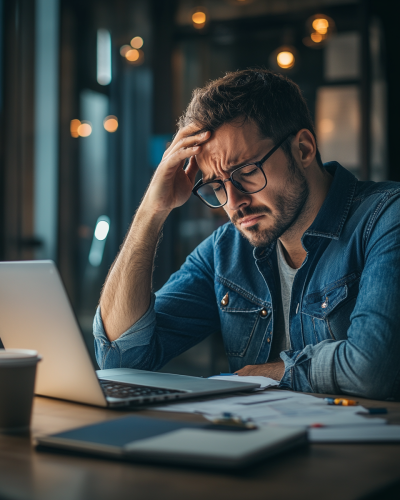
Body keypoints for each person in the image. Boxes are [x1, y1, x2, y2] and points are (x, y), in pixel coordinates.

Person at [94, 69, 400, 401]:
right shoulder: (225, 251)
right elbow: (119, 358)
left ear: (303, 149)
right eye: (216, 186)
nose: (235, 202)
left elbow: (373, 371)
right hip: (255, 445)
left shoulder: (386, 218)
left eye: (246, 172)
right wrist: (151, 212)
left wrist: (273, 372)